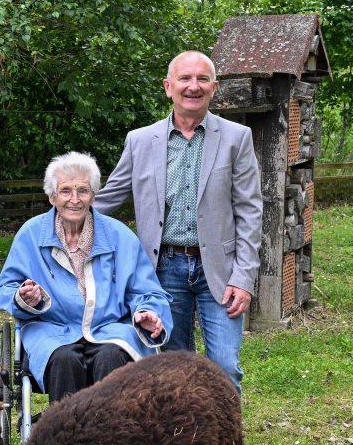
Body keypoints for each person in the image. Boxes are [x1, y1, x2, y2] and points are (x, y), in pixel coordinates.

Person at [95, 50, 262, 395]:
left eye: (202, 79)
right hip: (162, 269)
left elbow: (249, 211)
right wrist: (60, 219)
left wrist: (244, 278)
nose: (193, 86)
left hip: (220, 270)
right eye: (185, 79)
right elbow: (108, 198)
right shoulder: (140, 141)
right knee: (173, 367)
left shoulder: (236, 138)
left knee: (225, 367)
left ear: (214, 88)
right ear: (168, 86)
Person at [0, 152, 172, 403]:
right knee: (65, 359)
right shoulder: (31, 234)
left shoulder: (119, 235)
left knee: (110, 356)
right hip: (51, 331)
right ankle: (66, 435)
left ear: (94, 195)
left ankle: (112, 434)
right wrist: (24, 297)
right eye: (65, 191)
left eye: (83, 191)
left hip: (109, 329)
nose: (74, 200)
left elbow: (147, 291)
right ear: (52, 196)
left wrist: (146, 312)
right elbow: (4, 288)